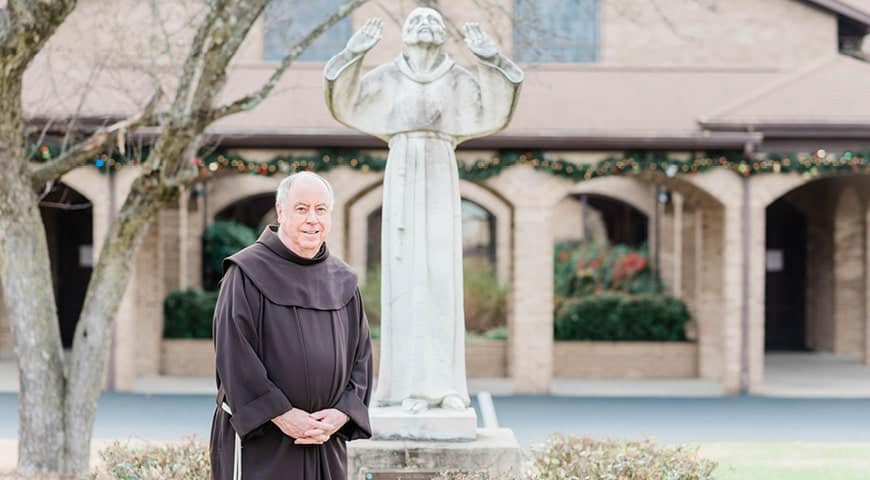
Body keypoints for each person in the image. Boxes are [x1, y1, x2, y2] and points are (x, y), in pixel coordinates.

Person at [324, 8, 522, 413]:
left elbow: (496, 109)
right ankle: (404, 387)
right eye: (415, 21)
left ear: (444, 36)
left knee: (441, 277)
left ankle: (446, 387)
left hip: (440, 172)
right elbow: (345, 103)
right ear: (404, 36)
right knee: (407, 280)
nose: (425, 25)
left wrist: (492, 60)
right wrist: (354, 53)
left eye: (432, 21)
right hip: (401, 173)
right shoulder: (389, 78)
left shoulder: (456, 79)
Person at [209, 172, 373, 480]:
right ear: (281, 211)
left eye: (321, 209)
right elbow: (234, 356)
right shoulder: (246, 272)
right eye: (302, 208)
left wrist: (342, 413)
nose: (313, 219)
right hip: (263, 441)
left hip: (326, 439)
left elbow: (362, 358)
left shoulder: (344, 280)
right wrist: (280, 413)